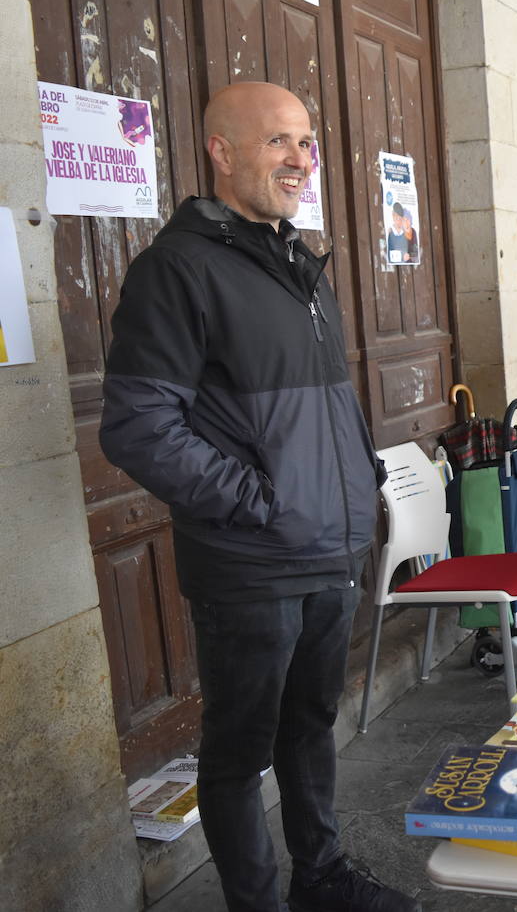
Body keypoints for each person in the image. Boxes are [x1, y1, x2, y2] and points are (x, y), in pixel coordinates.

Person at [99, 82, 415, 912]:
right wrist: (258, 500)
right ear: (222, 150)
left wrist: (359, 477)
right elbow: (137, 427)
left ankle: (322, 879)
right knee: (239, 756)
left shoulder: (297, 263)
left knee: (310, 729)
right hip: (252, 561)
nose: (301, 160)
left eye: (307, 143)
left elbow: (323, 403)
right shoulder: (176, 268)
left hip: (329, 548)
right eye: (279, 142)